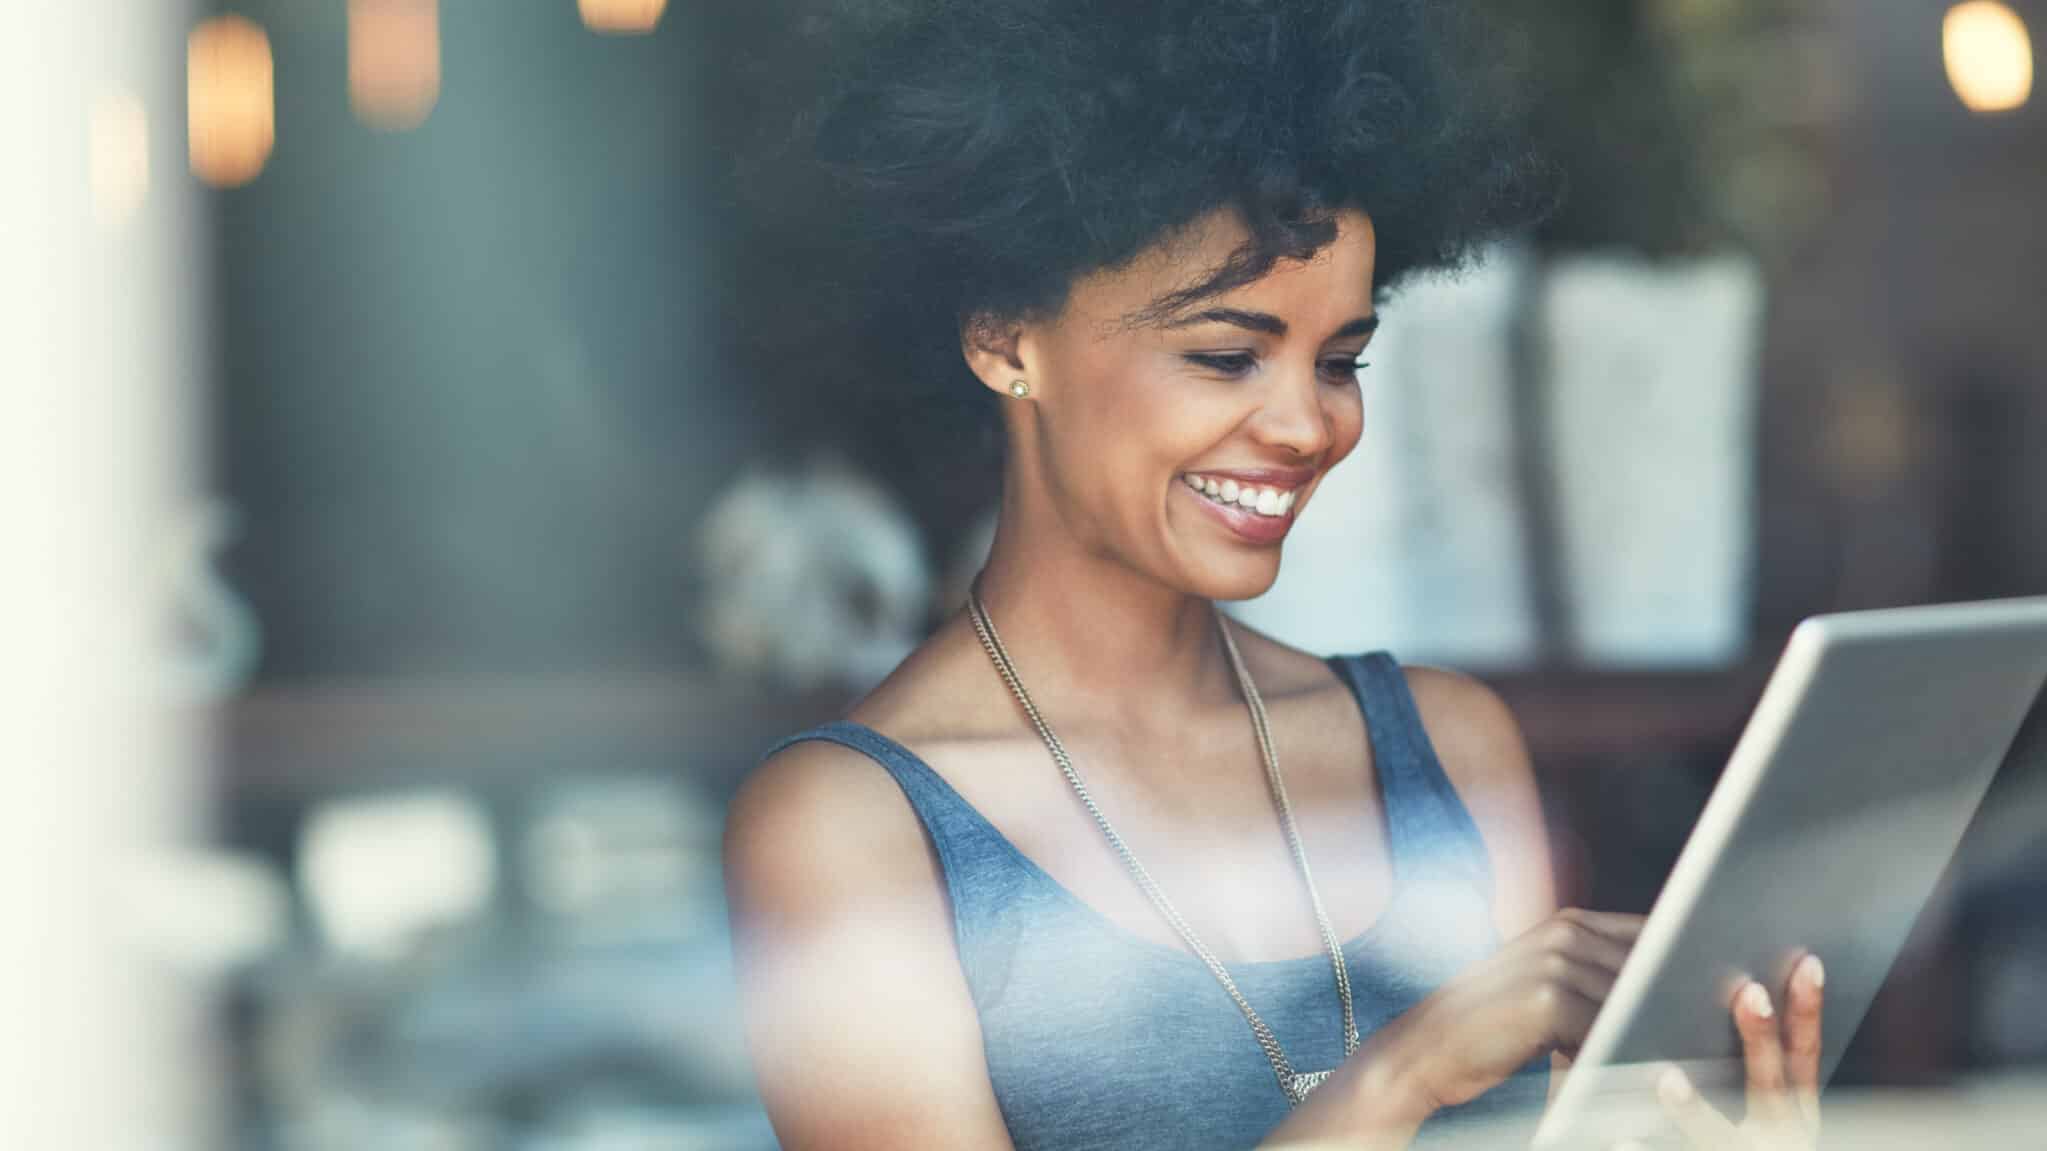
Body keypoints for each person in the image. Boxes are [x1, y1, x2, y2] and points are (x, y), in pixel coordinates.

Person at [723, 2, 1827, 1148]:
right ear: (1006, 338)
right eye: (1224, 355)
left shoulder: (1447, 750)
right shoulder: (849, 830)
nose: (1307, 424)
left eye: (1340, 360)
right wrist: (1398, 1078)